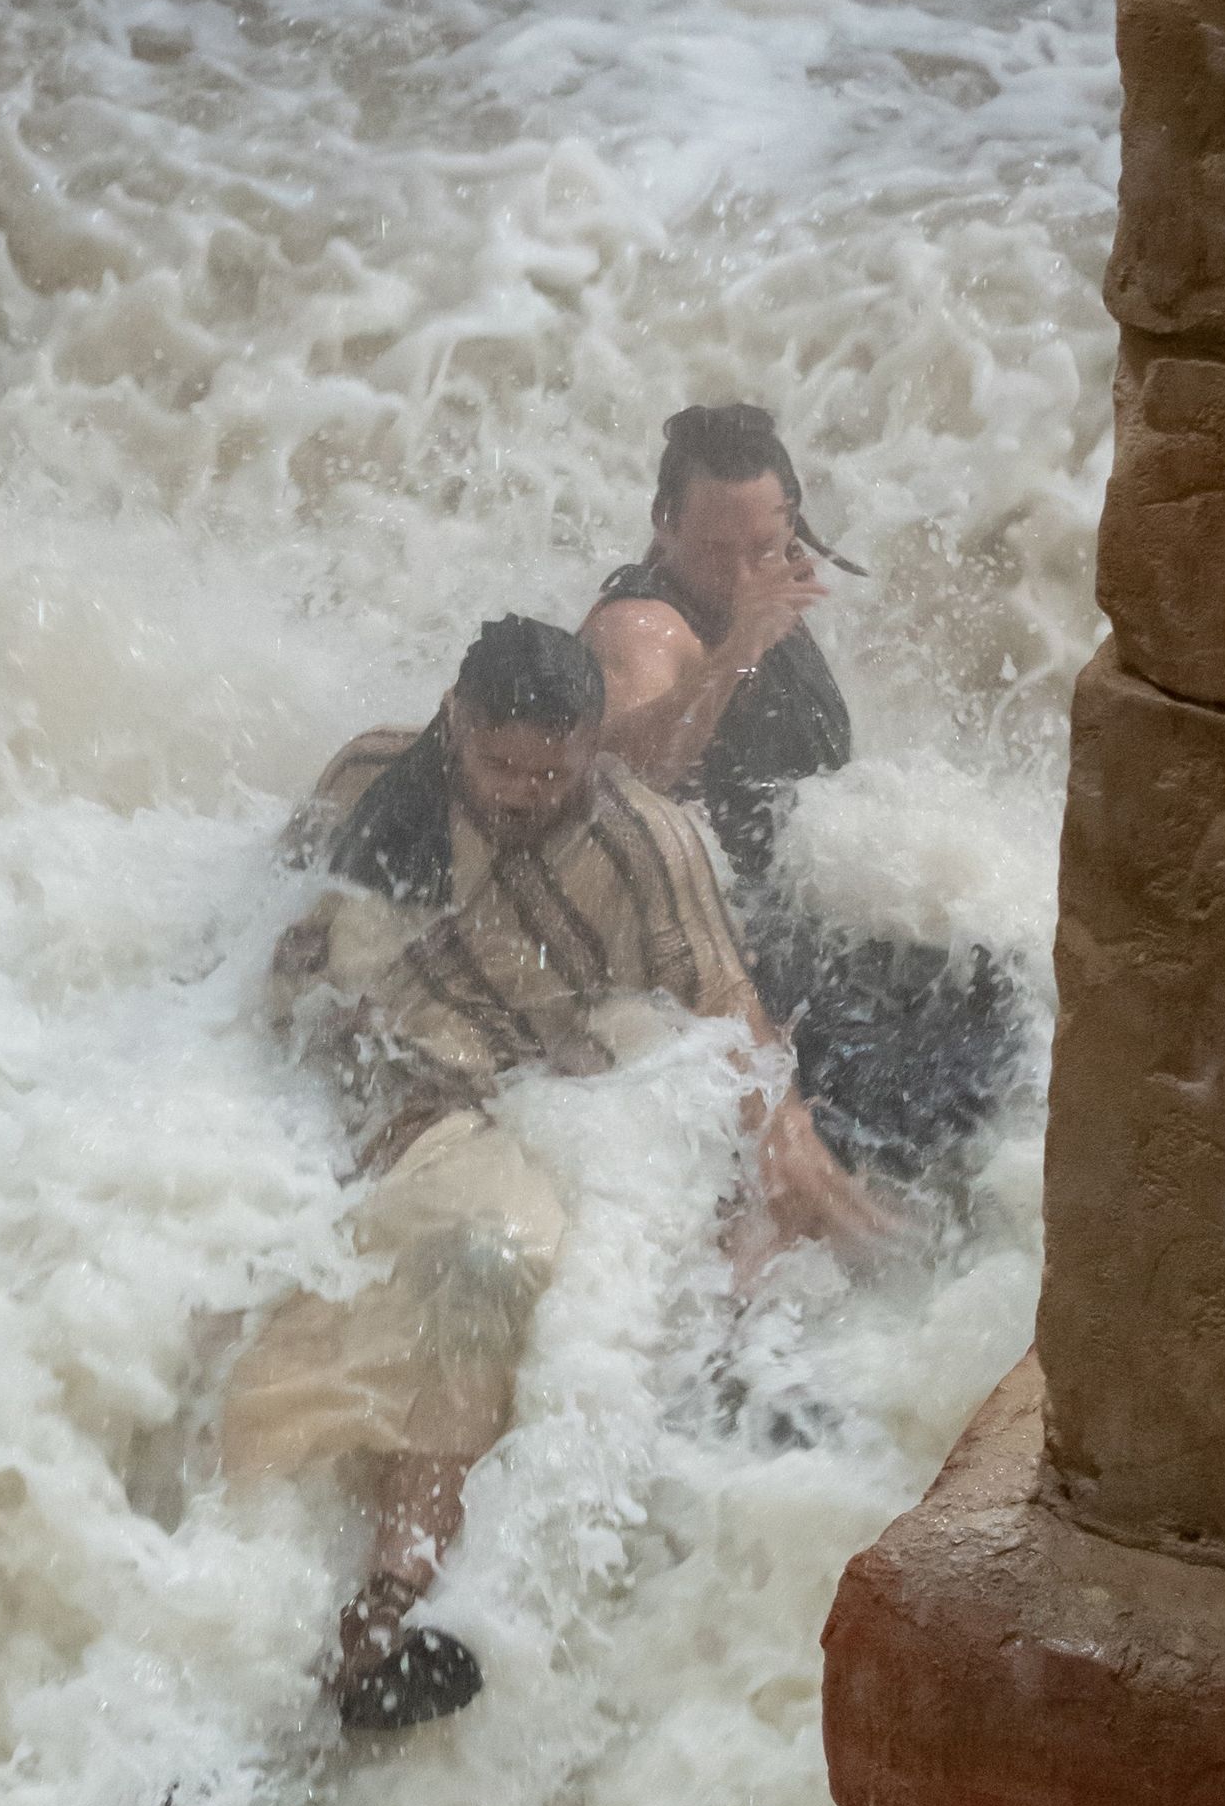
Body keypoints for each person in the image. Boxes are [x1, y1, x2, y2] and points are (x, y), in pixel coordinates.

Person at [228, 615, 892, 1732]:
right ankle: (276, 1605)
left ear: (594, 742)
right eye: (503, 765)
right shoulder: (371, 778)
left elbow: (724, 1000)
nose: (529, 791)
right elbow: (265, 924)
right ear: (456, 719)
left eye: (556, 767)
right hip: (328, 1100)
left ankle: (387, 1610)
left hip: (474, 1111)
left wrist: (788, 1137)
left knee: (494, 1257)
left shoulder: (641, 844)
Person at [589, 402, 1019, 1182]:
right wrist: (738, 649)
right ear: (663, 523)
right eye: (718, 550)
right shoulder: (644, 628)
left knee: (993, 982)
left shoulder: (763, 586)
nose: (744, 572)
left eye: (765, 545)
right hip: (716, 945)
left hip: (797, 911)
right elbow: (619, 781)